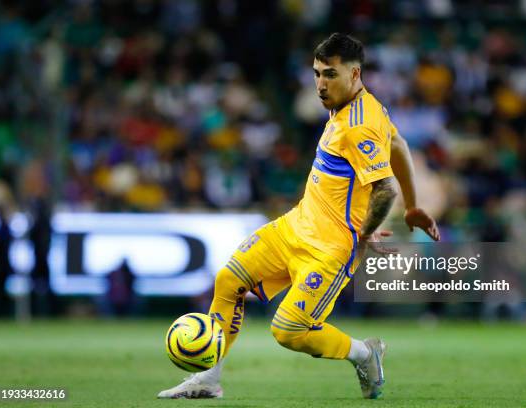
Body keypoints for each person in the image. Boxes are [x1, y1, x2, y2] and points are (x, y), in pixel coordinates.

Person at [158, 33, 440, 400]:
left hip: (329, 250)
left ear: (355, 74)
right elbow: (398, 145)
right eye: (317, 73)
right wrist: (414, 205)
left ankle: (364, 353)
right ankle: (208, 379)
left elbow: (385, 189)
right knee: (229, 280)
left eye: (330, 75)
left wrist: (366, 232)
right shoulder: (362, 106)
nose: (321, 84)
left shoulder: (359, 125)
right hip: (295, 226)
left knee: (288, 331)